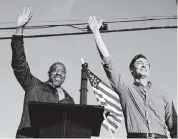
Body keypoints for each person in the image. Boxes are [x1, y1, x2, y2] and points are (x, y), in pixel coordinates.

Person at [88, 16, 177, 138]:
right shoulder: (125, 89)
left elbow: (175, 128)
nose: (144, 65)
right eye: (140, 63)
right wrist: (96, 32)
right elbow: (108, 62)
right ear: (132, 70)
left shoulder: (163, 96)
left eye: (146, 64)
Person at [11, 7, 75, 138]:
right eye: (55, 69)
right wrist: (19, 29)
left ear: (65, 77)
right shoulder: (34, 85)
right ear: (49, 73)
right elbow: (19, 64)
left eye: (62, 71)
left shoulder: (69, 100)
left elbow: (70, 126)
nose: (59, 73)